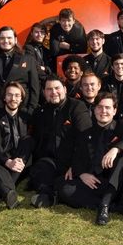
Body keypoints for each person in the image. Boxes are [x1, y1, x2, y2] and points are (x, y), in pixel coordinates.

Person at [58, 93, 123, 225]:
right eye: (99, 107)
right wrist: (82, 174)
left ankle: (105, 204)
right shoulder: (86, 132)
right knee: (64, 189)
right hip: (96, 182)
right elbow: (77, 158)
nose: (103, 111)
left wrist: (115, 149)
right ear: (94, 110)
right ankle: (113, 206)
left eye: (107, 107)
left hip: (117, 182)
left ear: (115, 110)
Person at [27, 76, 92, 207]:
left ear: (65, 89)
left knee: (66, 185)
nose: (53, 92)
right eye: (49, 89)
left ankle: (53, 192)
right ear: (44, 92)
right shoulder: (40, 111)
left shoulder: (77, 107)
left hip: (71, 161)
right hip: (49, 161)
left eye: (57, 88)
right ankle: (48, 195)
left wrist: (75, 165)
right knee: (41, 169)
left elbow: (85, 138)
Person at [0, 81, 35, 208]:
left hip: (19, 160)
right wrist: (7, 161)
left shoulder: (26, 116)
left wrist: (15, 162)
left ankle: (2, 190)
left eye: (17, 95)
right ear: (4, 97)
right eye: (10, 95)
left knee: (28, 140)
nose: (13, 99)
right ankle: (7, 193)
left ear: (21, 98)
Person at [0, 26, 41, 109]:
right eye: (2, 38)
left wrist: (31, 110)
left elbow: (34, 88)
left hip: (21, 109)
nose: (6, 41)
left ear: (15, 40)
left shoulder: (28, 59)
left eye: (9, 38)